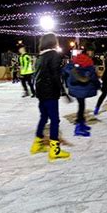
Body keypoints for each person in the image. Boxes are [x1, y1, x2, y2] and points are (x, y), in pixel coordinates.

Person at [30, 33, 70, 161]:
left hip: (41, 92)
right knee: (54, 120)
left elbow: (38, 75)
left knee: (44, 117)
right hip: (50, 92)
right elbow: (55, 75)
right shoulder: (53, 55)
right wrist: (63, 91)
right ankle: (55, 150)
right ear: (53, 42)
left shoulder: (40, 56)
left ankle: (37, 144)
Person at [63, 42, 100, 137]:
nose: (93, 53)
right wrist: (99, 85)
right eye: (92, 51)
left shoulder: (77, 58)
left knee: (81, 105)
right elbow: (93, 76)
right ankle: (78, 128)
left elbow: (66, 69)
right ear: (88, 51)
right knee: (81, 106)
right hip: (81, 88)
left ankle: (81, 122)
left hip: (75, 87)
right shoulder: (88, 61)